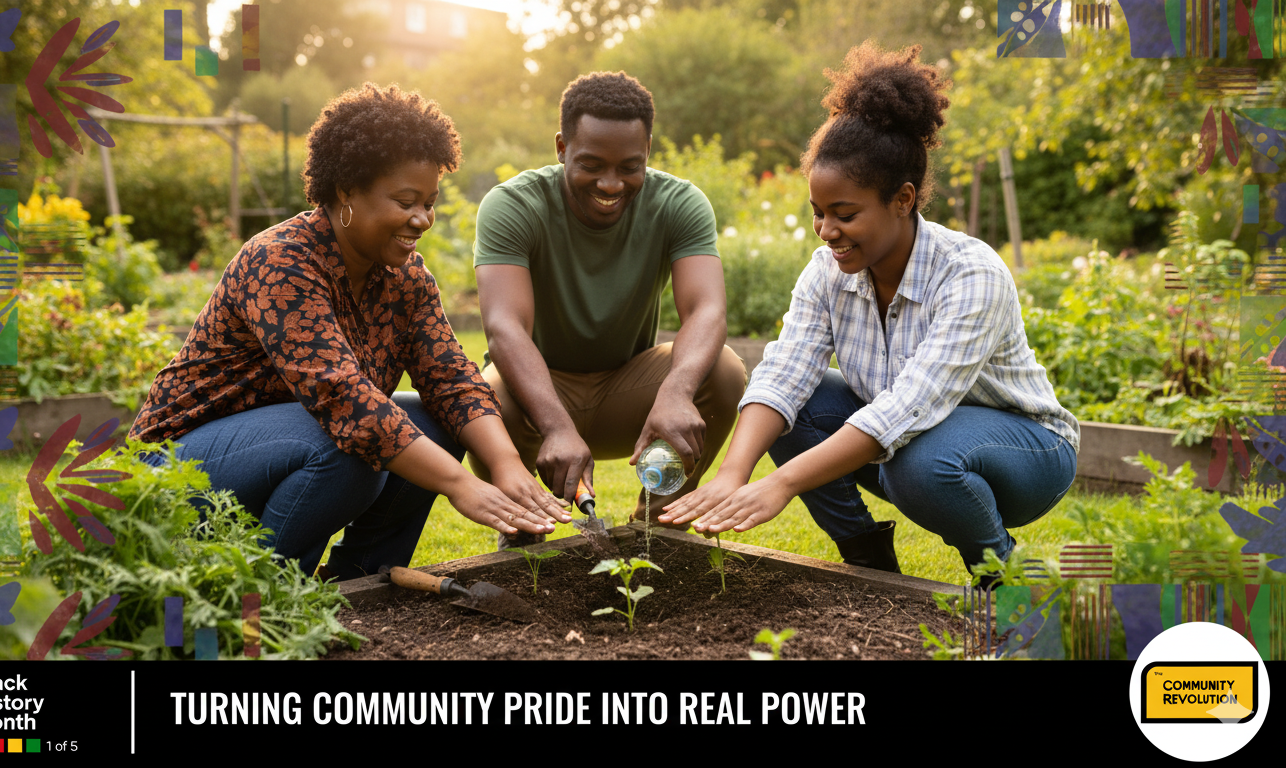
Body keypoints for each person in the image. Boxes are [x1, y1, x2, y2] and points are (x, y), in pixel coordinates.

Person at [659, 43, 1080, 586]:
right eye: (818, 212)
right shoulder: (827, 271)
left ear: (903, 199)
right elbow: (784, 372)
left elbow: (908, 408)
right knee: (794, 408)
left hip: (1026, 452)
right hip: (910, 441)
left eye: (845, 214)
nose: (826, 230)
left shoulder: (971, 273)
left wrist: (780, 484)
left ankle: (1001, 574)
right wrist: (734, 475)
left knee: (920, 460)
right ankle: (870, 565)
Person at [129, 83, 568, 579]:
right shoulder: (281, 261)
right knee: (345, 442)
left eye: (429, 202)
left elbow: (452, 380)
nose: (421, 219)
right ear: (345, 192)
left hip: (282, 447)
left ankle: (360, 585)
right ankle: (265, 593)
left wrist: (507, 464)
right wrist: (459, 485)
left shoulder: (406, 279)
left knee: (433, 421)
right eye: (405, 201)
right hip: (173, 470)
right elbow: (342, 399)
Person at [471, 71, 747, 545]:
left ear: (648, 151)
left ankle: (658, 528)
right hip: (537, 395)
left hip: (631, 395)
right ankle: (522, 533)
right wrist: (556, 425)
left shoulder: (679, 204)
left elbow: (707, 310)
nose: (611, 183)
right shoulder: (513, 205)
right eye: (592, 164)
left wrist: (677, 391)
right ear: (561, 147)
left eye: (629, 166)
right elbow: (504, 329)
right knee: (482, 397)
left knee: (722, 371)